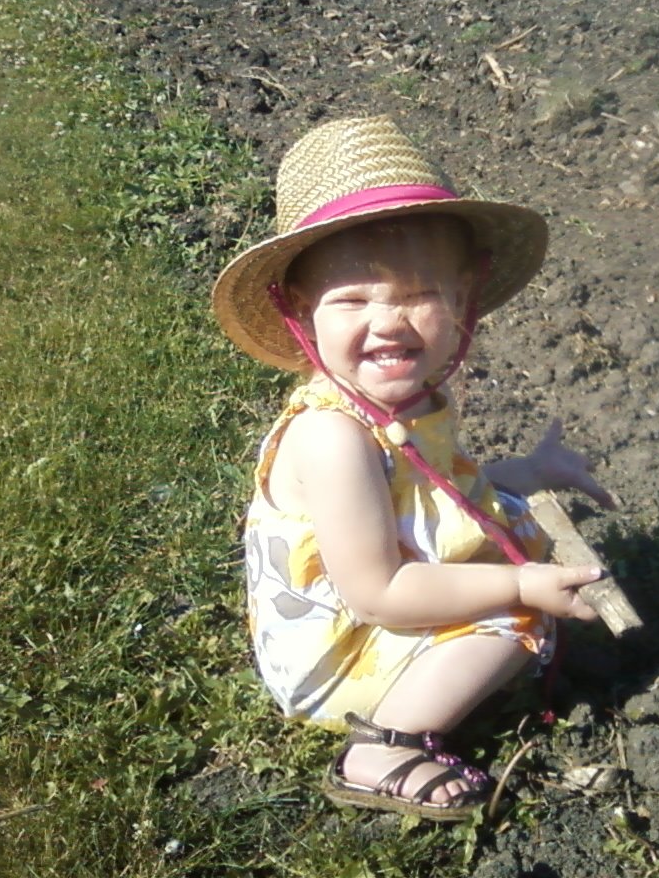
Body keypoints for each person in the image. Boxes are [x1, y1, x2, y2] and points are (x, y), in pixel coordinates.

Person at [211, 115, 615, 820]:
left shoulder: (408, 401)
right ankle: (381, 747)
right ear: (302, 314)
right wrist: (519, 584)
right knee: (513, 616)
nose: (390, 322)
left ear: (462, 301)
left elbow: (444, 495)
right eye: (354, 300)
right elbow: (377, 593)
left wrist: (528, 471)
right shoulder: (333, 438)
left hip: (380, 599)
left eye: (420, 296)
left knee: (509, 527)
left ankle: (428, 687)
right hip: (338, 650)